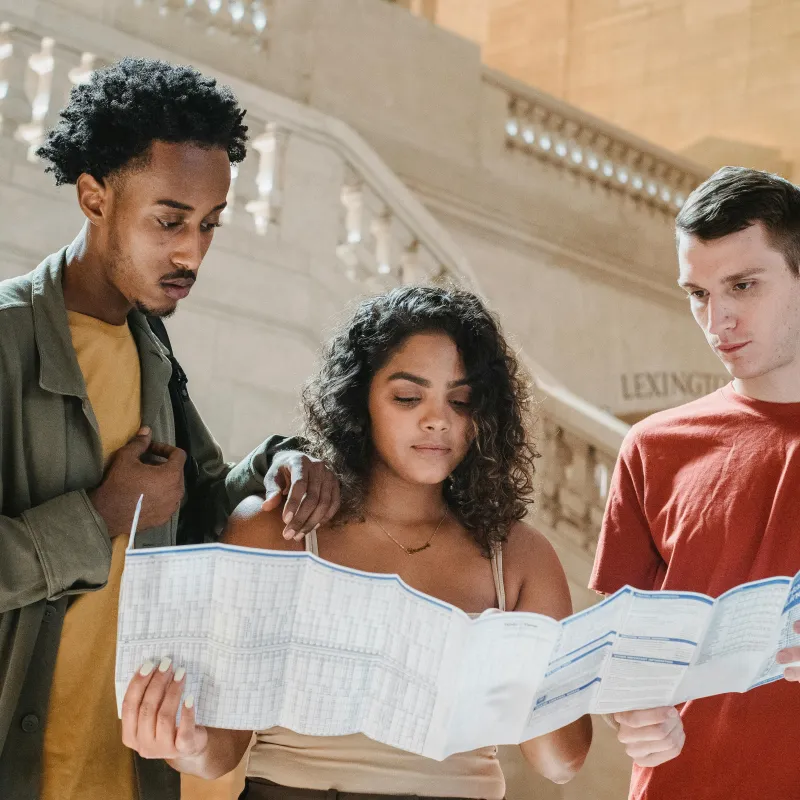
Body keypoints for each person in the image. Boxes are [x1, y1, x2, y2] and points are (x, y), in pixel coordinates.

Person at [0, 57, 339, 800]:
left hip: (131, 774)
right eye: (169, 220)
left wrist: (283, 464)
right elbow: (127, 509)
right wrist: (100, 516)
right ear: (95, 198)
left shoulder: (151, 347)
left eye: (209, 225)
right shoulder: (7, 341)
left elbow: (199, 500)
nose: (192, 252)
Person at [121, 286, 593, 798]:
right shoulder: (276, 530)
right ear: (359, 399)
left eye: (460, 400)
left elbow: (561, 762)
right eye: (408, 397)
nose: (437, 419)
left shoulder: (520, 557)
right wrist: (181, 740)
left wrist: (521, 664)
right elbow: (219, 751)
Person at [590, 166, 800, 799]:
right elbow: (613, 651)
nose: (718, 320)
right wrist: (632, 712)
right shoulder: (652, 448)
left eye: (743, 285)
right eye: (698, 293)